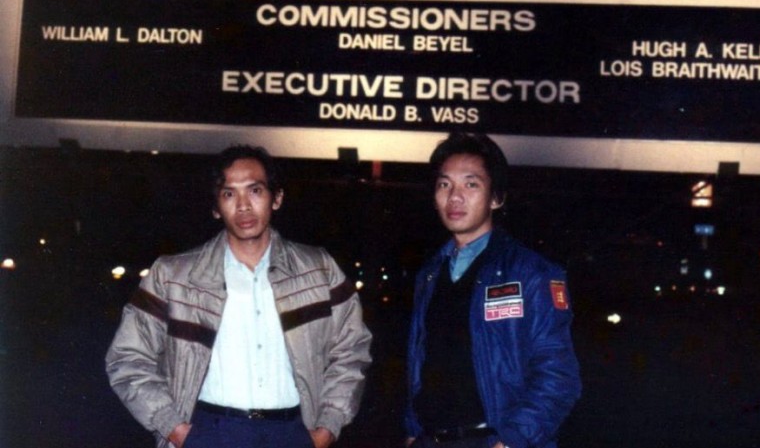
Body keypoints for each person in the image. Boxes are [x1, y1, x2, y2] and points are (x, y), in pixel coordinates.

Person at [106, 145, 372, 448]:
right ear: (216, 207)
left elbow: (352, 350)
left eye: (255, 190)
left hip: (293, 433)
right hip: (209, 432)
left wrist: (327, 426)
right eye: (229, 194)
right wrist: (175, 428)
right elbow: (127, 357)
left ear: (277, 198)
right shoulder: (173, 276)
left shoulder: (319, 270)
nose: (243, 206)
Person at [405, 132, 581, 448]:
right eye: (444, 184)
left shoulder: (531, 272)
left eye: (471, 184)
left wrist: (512, 440)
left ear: (496, 198)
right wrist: (412, 431)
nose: (454, 197)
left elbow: (559, 377)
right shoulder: (429, 274)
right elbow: (420, 365)